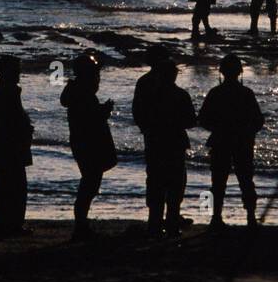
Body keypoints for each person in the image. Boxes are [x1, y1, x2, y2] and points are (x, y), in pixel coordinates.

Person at [131, 48, 197, 238]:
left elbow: (138, 113)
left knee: (156, 182)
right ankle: (172, 223)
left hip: (154, 141)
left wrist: (148, 129)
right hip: (174, 143)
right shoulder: (180, 95)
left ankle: (155, 224)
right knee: (175, 185)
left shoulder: (148, 88)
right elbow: (191, 121)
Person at [198, 52, 264, 229]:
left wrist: (219, 129)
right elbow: (259, 120)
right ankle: (251, 217)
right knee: (246, 181)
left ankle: (215, 218)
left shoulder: (215, 93)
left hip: (220, 141)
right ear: (240, 72)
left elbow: (203, 119)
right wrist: (247, 131)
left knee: (217, 183)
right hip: (243, 142)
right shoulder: (246, 93)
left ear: (221, 72)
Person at [59, 52, 116, 241]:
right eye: (95, 74)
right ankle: (80, 226)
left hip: (82, 143)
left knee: (89, 184)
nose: (97, 79)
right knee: (89, 184)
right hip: (88, 144)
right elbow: (90, 120)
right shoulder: (83, 95)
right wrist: (104, 111)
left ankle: (81, 225)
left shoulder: (79, 93)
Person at [0, 55, 33, 237]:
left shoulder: (2, 89)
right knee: (15, 184)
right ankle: (12, 224)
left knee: (7, 183)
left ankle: (5, 223)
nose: (18, 74)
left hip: (6, 142)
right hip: (10, 143)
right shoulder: (7, 91)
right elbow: (11, 119)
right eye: (16, 70)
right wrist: (24, 129)